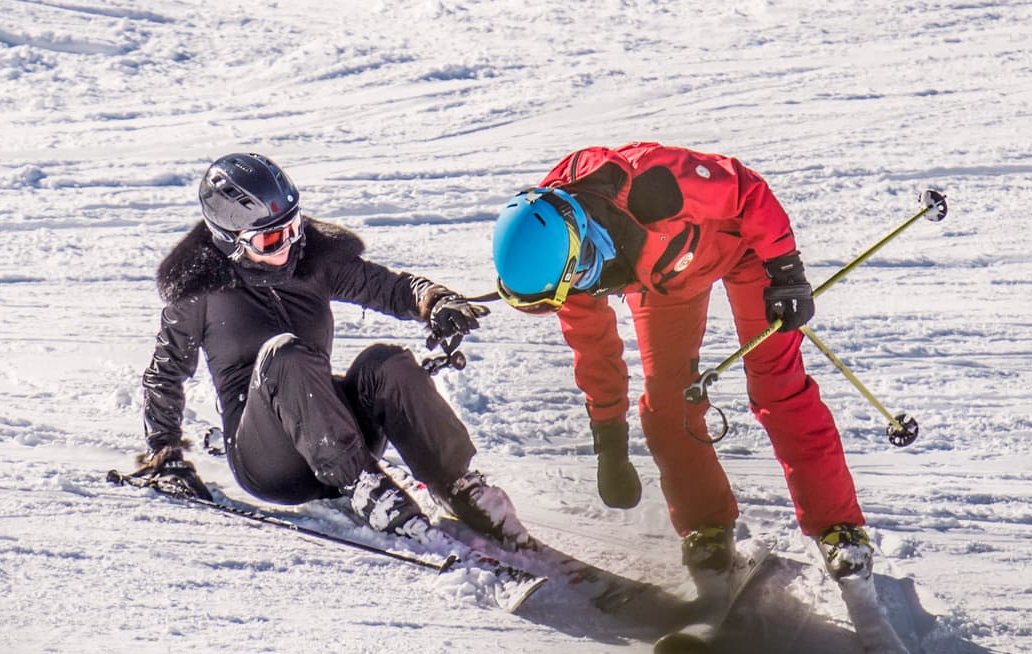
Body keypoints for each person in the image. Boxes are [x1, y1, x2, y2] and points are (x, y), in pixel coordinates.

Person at [490, 142, 871, 597]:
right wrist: (610, 440)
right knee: (668, 404)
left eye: (587, 270)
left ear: (581, 234)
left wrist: (785, 269)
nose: (588, 287)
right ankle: (707, 528)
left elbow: (745, 191)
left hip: (745, 251)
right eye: (574, 286)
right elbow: (595, 352)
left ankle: (839, 528)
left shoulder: (652, 184)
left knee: (777, 386)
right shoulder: (564, 273)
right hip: (666, 279)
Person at [136, 152, 528, 548]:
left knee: (386, 362)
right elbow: (164, 373)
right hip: (273, 463)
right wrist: (165, 455)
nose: (288, 246)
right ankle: (367, 489)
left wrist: (434, 301)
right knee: (283, 353)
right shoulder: (199, 291)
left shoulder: (312, 258)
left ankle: (456, 482)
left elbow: (388, 286)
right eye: (271, 239)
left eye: (293, 228)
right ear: (229, 239)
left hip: (336, 437)